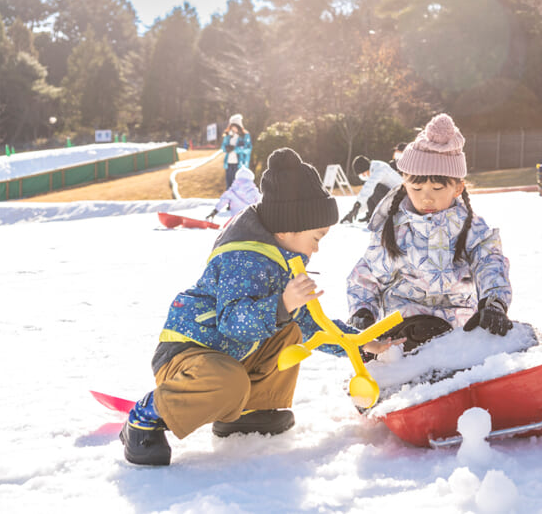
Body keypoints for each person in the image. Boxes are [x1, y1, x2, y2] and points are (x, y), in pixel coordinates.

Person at [119, 148, 398, 466]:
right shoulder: (245, 258)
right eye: (317, 237)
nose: (317, 248)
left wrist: (361, 344)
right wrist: (283, 304)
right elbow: (231, 321)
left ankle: (252, 408)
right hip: (188, 354)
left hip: (229, 355)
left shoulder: (282, 258)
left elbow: (309, 323)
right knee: (230, 380)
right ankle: (145, 417)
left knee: (291, 328)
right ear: (289, 229)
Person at [347, 113, 513, 351]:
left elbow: (491, 264)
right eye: (416, 187)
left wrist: (493, 302)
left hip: (460, 330)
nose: (426, 196)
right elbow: (366, 276)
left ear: (458, 188)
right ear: (404, 184)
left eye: (437, 187)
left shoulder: (472, 230)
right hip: (403, 330)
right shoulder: (394, 229)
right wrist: (362, 312)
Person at [340, 155, 403, 223]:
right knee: (370, 190)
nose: (363, 176)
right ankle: (371, 214)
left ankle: (384, 215)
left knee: (374, 188)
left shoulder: (379, 169)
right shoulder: (373, 168)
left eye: (363, 173)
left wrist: (357, 205)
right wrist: (353, 212)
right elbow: (367, 196)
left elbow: (369, 187)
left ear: (366, 168)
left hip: (400, 198)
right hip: (393, 195)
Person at [220, 114, 252, 188]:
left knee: (238, 186)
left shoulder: (245, 136)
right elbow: (223, 147)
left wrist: (235, 149)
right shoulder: (228, 136)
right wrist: (226, 148)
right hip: (229, 163)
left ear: (239, 126)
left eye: (235, 126)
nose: (233, 129)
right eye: (232, 127)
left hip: (239, 164)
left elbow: (248, 149)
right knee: (229, 185)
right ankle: (229, 199)